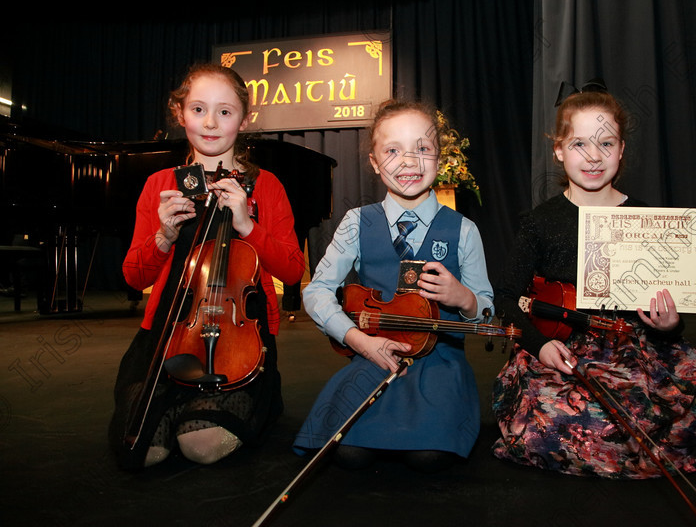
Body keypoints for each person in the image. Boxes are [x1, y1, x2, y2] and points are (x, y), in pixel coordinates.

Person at [491, 81, 696, 479]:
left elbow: (668, 306)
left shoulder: (647, 218)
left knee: (689, 380)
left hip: (631, 345)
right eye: (579, 144)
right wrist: (540, 347)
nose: (594, 157)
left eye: (606, 144)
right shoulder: (540, 222)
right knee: (559, 421)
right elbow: (507, 298)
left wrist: (671, 324)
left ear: (622, 150)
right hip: (562, 343)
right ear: (559, 150)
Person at [109, 63, 305, 470]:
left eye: (225, 112)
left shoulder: (266, 185)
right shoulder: (158, 184)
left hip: (240, 340)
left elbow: (291, 270)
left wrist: (248, 225)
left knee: (200, 445)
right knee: (144, 451)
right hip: (168, 332)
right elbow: (134, 276)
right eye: (198, 110)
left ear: (244, 119)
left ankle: (252, 397)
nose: (211, 123)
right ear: (180, 115)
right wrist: (163, 235)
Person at [294, 99, 494, 473]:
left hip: (440, 364)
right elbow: (316, 291)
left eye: (423, 148)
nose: (409, 161)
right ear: (374, 162)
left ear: (439, 157)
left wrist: (464, 299)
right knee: (350, 455)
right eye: (392, 150)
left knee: (430, 456)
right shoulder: (356, 223)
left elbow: (485, 313)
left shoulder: (464, 230)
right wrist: (357, 340)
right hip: (375, 355)